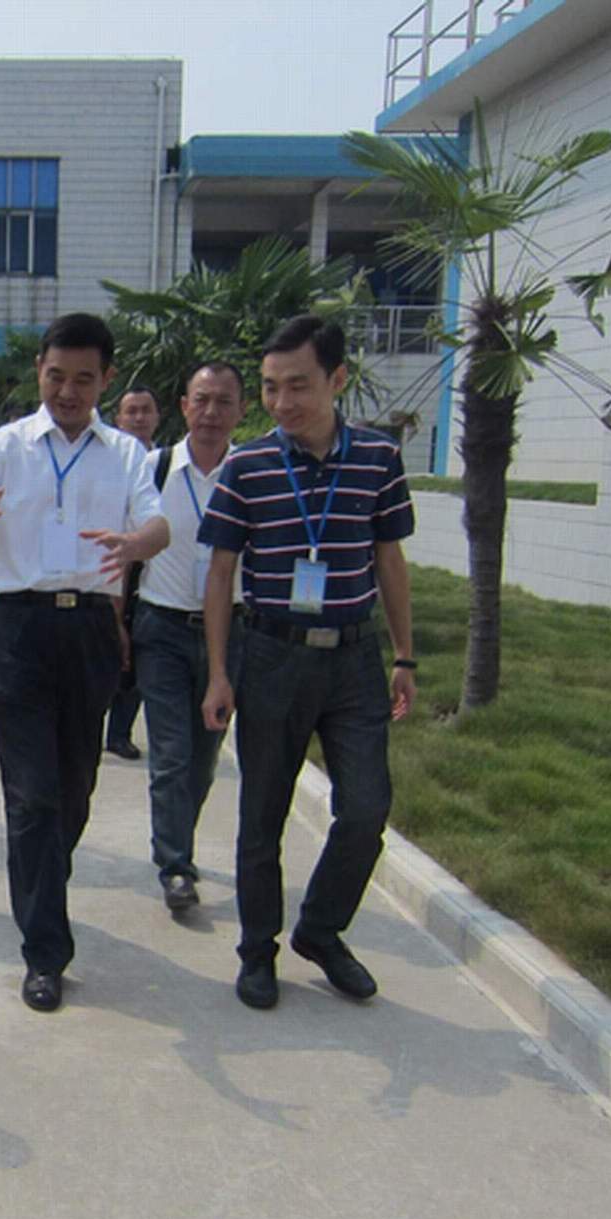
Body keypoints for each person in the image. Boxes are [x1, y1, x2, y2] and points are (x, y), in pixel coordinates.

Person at [0, 313, 167, 1012]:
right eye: (56, 376)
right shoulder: (3, 447)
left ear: (106, 379)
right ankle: (45, 951)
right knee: (32, 795)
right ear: (39, 370)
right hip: (18, 629)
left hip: (91, 628)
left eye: (83, 379)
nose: (68, 391)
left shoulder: (124, 453)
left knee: (73, 789)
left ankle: (41, 879)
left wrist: (136, 545)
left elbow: (159, 524)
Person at [200, 314, 416, 1011]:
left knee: (367, 808)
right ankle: (256, 950)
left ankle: (320, 930)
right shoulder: (247, 466)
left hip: (353, 660)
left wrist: (405, 655)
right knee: (262, 814)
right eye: (270, 387)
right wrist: (219, 671)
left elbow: (389, 560)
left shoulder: (378, 459)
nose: (282, 401)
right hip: (271, 657)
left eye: (298, 385)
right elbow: (220, 572)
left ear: (337, 379)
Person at [134, 362, 244, 912]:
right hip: (163, 628)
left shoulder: (251, 473)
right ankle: (175, 865)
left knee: (202, 759)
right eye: (201, 400)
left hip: (232, 632)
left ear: (241, 411)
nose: (211, 412)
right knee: (171, 754)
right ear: (183, 406)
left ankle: (180, 841)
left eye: (224, 402)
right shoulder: (153, 469)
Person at [104, 382, 161, 762]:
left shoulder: (165, 464)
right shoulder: (110, 463)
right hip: (112, 570)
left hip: (154, 574)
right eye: (131, 411)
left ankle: (120, 732)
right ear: (119, 418)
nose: (139, 418)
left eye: (145, 410)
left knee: (137, 660)